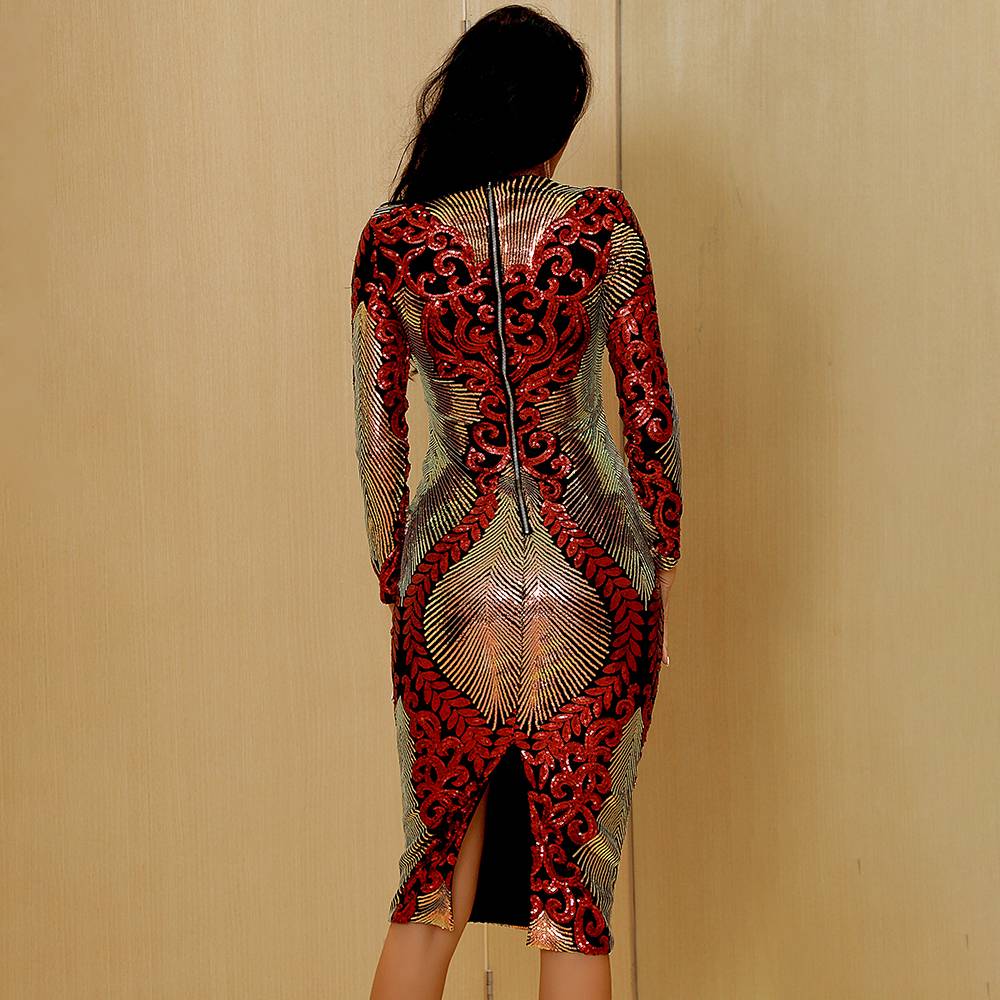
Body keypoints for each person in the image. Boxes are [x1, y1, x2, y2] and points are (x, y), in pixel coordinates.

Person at [351, 7, 682, 1000]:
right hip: (594, 576)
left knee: (430, 888)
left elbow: (378, 433)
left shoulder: (392, 241)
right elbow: (648, 413)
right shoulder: (603, 225)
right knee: (573, 897)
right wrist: (660, 554)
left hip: (450, 580)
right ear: (554, 118)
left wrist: (394, 570)